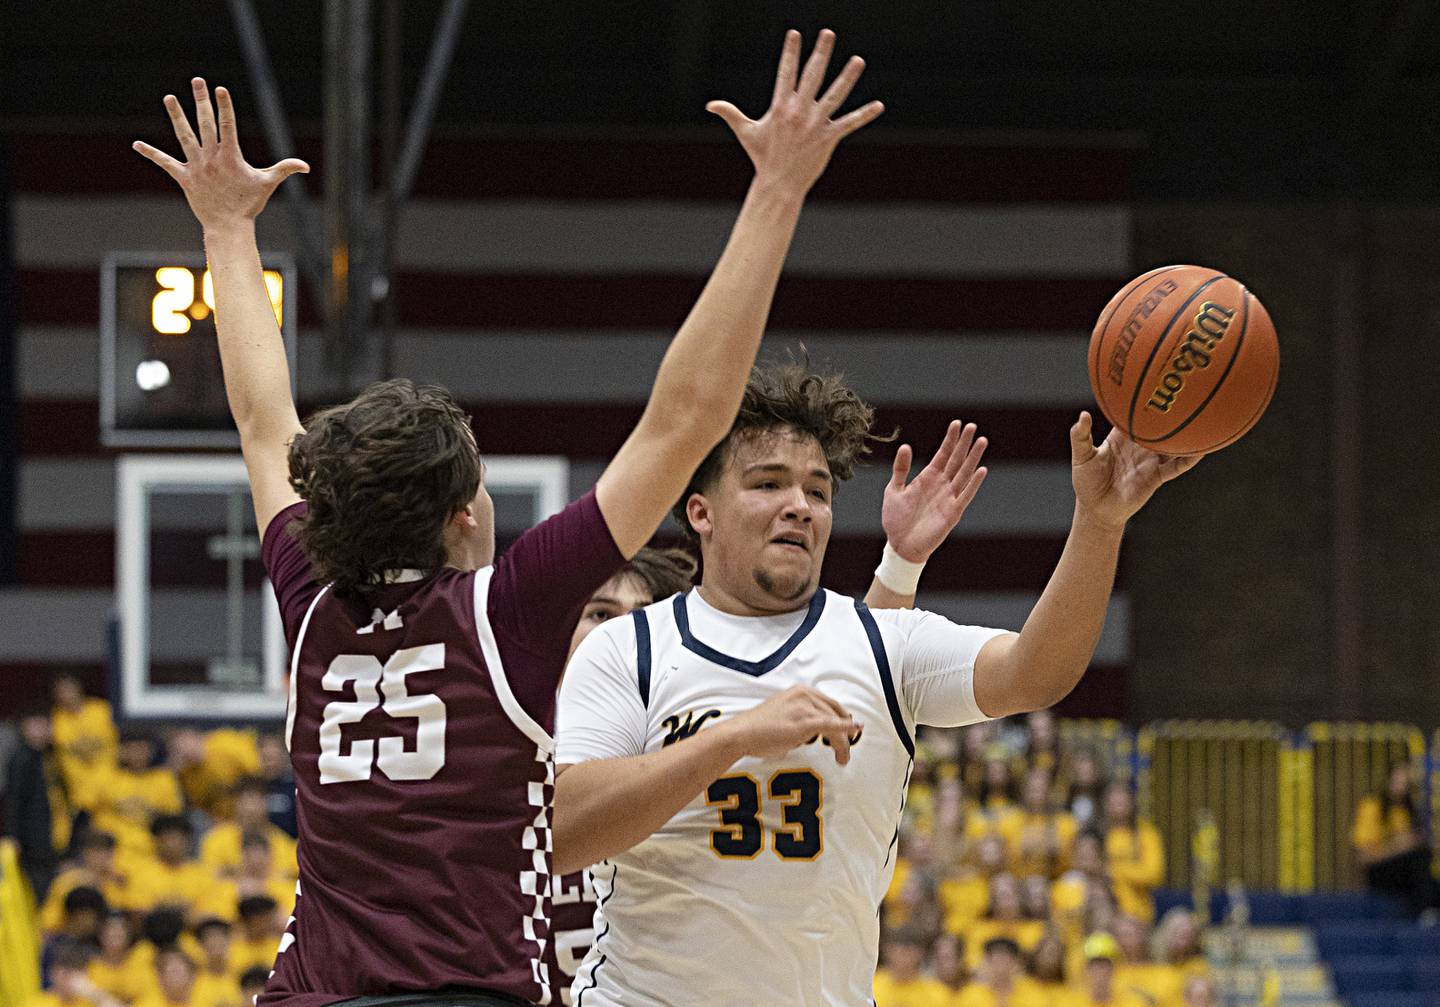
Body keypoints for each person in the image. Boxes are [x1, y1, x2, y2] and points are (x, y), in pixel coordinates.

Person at [132, 27, 880, 1005]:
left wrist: (225, 228)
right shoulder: (508, 609)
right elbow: (685, 415)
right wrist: (778, 189)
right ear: (459, 517)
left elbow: (263, 417)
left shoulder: (311, 601)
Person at [554, 354, 1199, 1003]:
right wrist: (733, 736)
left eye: (817, 490)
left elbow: (1038, 671)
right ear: (701, 511)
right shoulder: (625, 646)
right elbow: (560, 831)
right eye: (768, 483)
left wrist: (1101, 520)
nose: (798, 506)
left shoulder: (882, 640)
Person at [1352, 760, 1439, 917]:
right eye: (1399, 778)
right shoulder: (1372, 806)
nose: (1403, 784)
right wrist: (1398, 847)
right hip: (1380, 872)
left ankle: (1428, 919)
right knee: (1419, 858)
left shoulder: (1409, 811)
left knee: (1433, 884)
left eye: (1407, 780)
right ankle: (1424, 914)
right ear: (1388, 779)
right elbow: (1363, 857)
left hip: (1407, 873)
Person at [3, 706, 71, 900]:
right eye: (34, 724)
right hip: (33, 840)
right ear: (23, 728)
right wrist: (12, 835)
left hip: (56, 837)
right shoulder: (21, 758)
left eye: (44, 724)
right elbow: (14, 801)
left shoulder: (53, 756)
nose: (40, 730)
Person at [50, 674, 118, 815]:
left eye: (68, 690)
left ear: (79, 689)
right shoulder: (56, 718)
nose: (65, 695)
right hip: (77, 792)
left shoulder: (102, 710)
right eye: (60, 692)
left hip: (109, 786)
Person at [1101, 783, 1164, 923]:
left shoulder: (1146, 833)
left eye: (1122, 800)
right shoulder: (1099, 834)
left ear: (1132, 802)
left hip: (1138, 915)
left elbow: (1154, 873)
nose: (1118, 805)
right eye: (1113, 801)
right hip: (1104, 914)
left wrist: (1116, 870)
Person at [872, 928, 953, 1007]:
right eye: (900, 951)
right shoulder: (871, 987)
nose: (904, 958)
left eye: (909, 952)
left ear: (920, 953)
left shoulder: (938, 995)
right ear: (887, 951)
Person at [954, 938, 1043, 1007]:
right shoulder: (970, 995)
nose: (1000, 964)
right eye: (995, 958)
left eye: (1006, 958)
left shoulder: (1032, 994)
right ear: (986, 962)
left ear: (1017, 963)